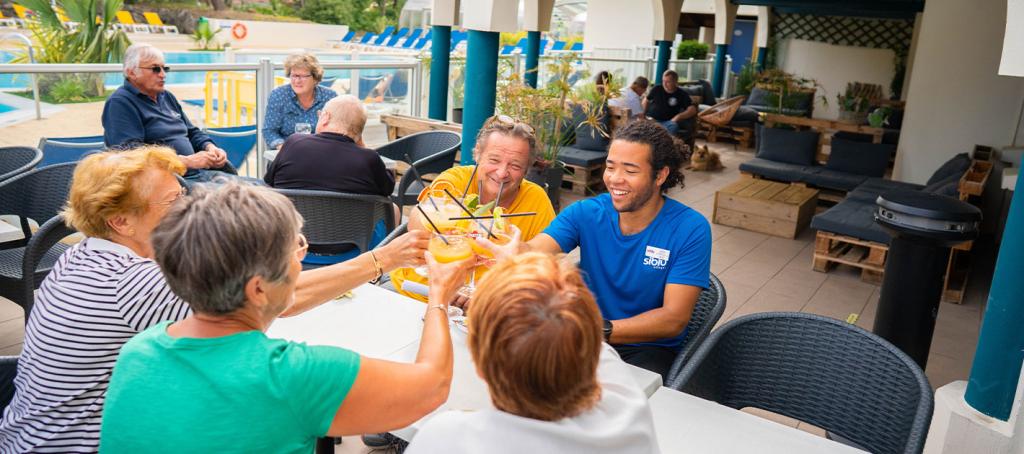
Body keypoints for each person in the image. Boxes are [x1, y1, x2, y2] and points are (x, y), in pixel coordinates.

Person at [0, 146, 428, 452]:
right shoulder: (135, 283)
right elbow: (279, 297)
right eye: (172, 201)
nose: (188, 207)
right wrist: (382, 258)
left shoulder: (80, 255)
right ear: (121, 222)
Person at [99, 181, 473, 451]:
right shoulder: (293, 375)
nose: (300, 259)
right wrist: (439, 296)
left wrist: (381, 260)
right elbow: (432, 387)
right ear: (258, 289)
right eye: (295, 250)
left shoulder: (138, 352)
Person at [480, 120, 711, 379]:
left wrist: (599, 329)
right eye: (610, 167)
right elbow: (535, 250)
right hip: (585, 337)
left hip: (646, 349)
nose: (615, 179)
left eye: (630, 171)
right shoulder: (587, 212)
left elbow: (673, 319)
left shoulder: (690, 228)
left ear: (660, 175)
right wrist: (510, 248)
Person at [406, 252, 660, 454]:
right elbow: (585, 337)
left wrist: (438, 297)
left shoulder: (451, 437)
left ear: (480, 368)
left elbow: (425, 382)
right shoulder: (628, 406)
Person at [389, 115, 557, 303]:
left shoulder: (536, 200)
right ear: (478, 153)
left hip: (487, 309)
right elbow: (417, 222)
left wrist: (491, 293)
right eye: (494, 160)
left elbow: (545, 269)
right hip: (417, 293)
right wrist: (463, 224)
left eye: (515, 165)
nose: (502, 173)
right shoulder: (455, 181)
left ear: (526, 169)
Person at [102, 43, 233, 183]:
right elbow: (132, 155)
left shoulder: (166, 96)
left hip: (196, 175)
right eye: (155, 69)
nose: (163, 75)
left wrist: (210, 147)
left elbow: (192, 132)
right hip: (168, 184)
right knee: (243, 197)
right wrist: (186, 161)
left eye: (165, 69)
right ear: (131, 72)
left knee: (255, 189)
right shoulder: (120, 103)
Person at [264, 95, 392, 196]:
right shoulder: (369, 159)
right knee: (393, 209)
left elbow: (269, 180)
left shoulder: (294, 143)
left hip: (294, 227)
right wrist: (362, 147)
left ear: (325, 117)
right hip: (351, 228)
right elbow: (388, 189)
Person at [263, 53, 338, 149]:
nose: (297, 81)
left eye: (302, 76)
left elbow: (337, 131)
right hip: (288, 153)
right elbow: (269, 131)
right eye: (294, 75)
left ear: (315, 78)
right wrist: (283, 148)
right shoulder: (279, 95)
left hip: (320, 152)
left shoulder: (330, 97)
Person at [643, 69, 697, 146]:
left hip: (667, 122)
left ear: (675, 82)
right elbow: (646, 100)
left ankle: (665, 147)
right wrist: (643, 114)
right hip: (652, 119)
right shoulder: (657, 89)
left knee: (673, 126)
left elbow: (693, 110)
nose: (664, 84)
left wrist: (678, 116)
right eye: (663, 81)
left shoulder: (681, 94)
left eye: (668, 82)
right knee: (644, 126)